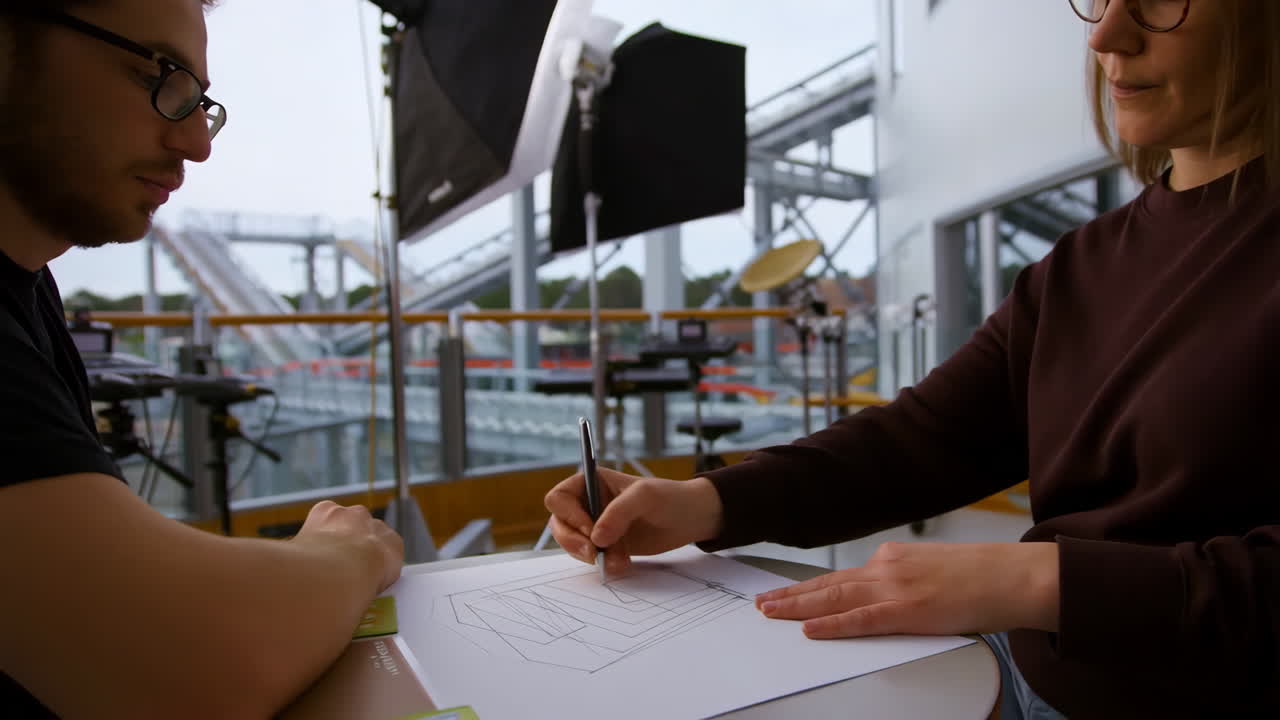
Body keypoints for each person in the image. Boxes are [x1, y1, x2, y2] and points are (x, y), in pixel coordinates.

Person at [546, 1, 1279, 717]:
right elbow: (920, 441)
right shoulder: (1080, 265)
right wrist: (702, 502)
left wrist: (1041, 580)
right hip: (1033, 674)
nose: (1107, 35)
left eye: (1162, 1)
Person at [0, 2, 404, 718]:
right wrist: (354, 554)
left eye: (201, 103)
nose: (196, 143)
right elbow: (188, 665)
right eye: (161, 76)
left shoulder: (29, 290)